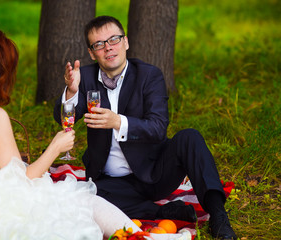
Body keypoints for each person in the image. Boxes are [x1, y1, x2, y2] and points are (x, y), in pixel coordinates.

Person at [0, 27, 193, 240]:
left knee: (75, 198)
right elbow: (20, 179)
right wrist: (55, 147)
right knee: (81, 200)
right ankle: (142, 237)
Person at [53, 16, 237, 240]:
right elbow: (61, 118)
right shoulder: (87, 77)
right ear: (92, 53)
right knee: (86, 199)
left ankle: (218, 215)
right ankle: (163, 212)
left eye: (114, 39)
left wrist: (118, 121)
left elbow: (158, 128)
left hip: (154, 173)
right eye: (99, 44)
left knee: (190, 138)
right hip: (111, 183)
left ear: (126, 42)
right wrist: (71, 92)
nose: (108, 48)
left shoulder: (149, 75)